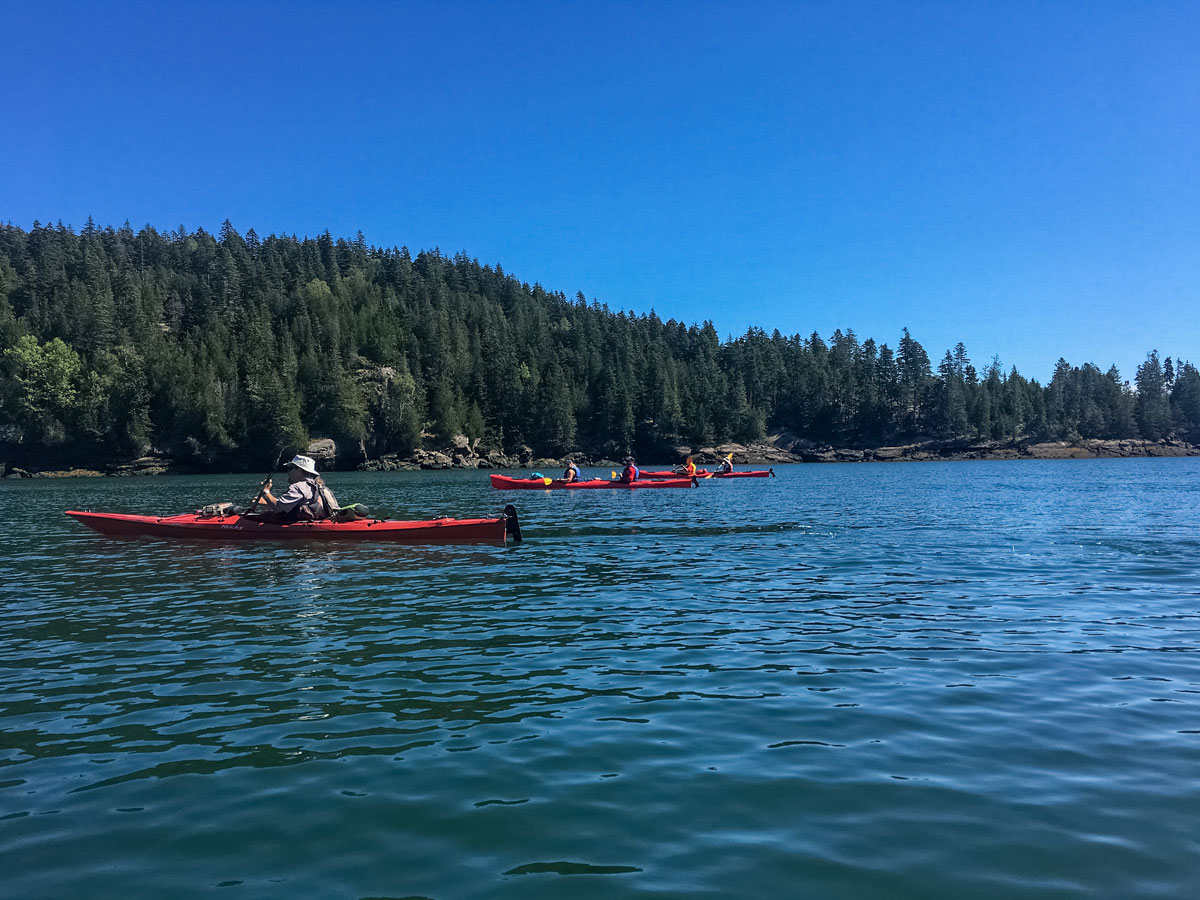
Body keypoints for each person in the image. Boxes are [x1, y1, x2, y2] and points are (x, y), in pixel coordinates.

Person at [255, 454, 338, 522]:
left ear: (299, 470)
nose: (288, 472)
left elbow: (278, 508)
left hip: (305, 528)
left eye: (290, 468)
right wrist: (266, 503)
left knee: (265, 516)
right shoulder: (322, 488)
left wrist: (266, 492)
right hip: (324, 522)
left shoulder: (298, 487)